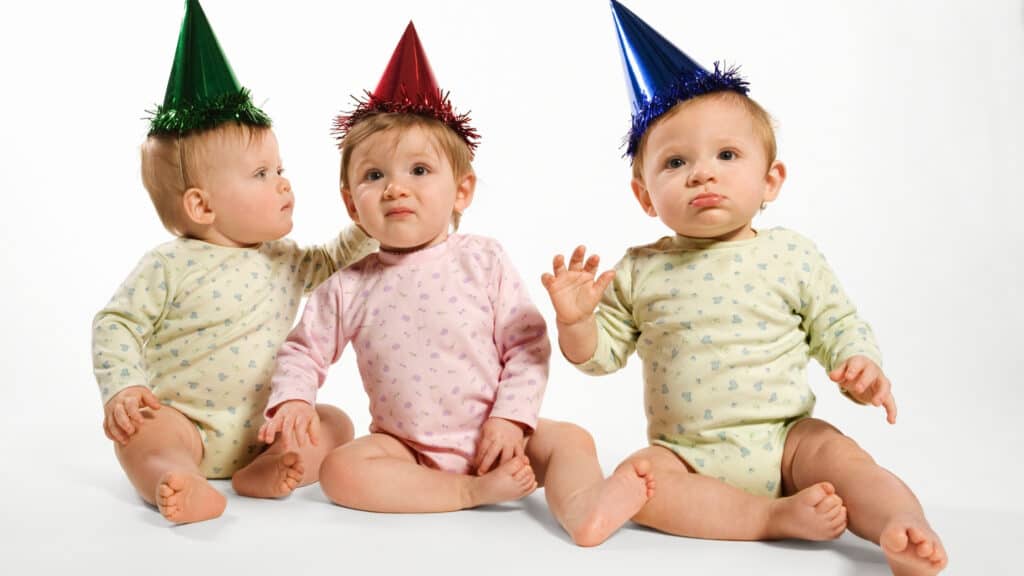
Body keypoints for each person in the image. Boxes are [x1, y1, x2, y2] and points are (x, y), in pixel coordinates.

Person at [541, 2, 947, 572]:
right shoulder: (638, 269)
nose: (702, 173)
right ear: (645, 195)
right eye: (676, 161)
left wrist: (859, 364)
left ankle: (903, 528)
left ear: (769, 179)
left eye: (727, 155)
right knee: (644, 481)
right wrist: (575, 321)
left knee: (847, 461)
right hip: (687, 453)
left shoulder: (790, 254)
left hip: (788, 440)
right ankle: (768, 519)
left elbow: (836, 322)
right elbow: (599, 358)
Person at [260, 22, 654, 547]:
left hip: (500, 437)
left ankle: (586, 509)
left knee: (572, 440)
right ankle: (464, 494)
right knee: (341, 471)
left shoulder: (482, 260)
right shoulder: (348, 286)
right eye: (374, 176)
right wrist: (293, 400)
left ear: (461, 190)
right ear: (352, 203)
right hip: (405, 447)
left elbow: (527, 347)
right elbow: (303, 352)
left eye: (419, 169)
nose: (395, 186)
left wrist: (512, 421)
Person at [91, 0, 376, 525]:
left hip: (268, 424)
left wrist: (366, 226)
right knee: (143, 436)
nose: (283, 182)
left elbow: (334, 262)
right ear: (202, 205)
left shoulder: (285, 260)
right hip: (187, 422)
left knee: (334, 423)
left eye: (280, 168)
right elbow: (117, 323)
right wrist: (127, 386)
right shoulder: (169, 264)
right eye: (261, 174)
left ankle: (267, 469)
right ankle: (173, 477)